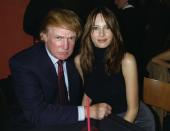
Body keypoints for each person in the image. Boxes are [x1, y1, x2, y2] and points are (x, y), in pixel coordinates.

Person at [8, 8, 144, 131]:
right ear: (43, 36)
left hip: (77, 121)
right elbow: (37, 114)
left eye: (71, 38)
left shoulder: (76, 59)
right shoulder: (23, 64)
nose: (66, 46)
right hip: (34, 126)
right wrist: (87, 112)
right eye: (59, 38)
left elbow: (89, 91)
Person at [75, 7, 155, 131]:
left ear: (114, 31)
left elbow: (133, 110)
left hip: (133, 120)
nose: (101, 34)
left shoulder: (126, 60)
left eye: (107, 27)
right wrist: (84, 117)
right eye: (95, 28)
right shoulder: (80, 61)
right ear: (89, 32)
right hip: (103, 117)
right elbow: (88, 92)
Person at [114, 0, 147, 100]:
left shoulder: (122, 16)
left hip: (126, 56)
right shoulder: (140, 13)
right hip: (139, 55)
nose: (115, 2)